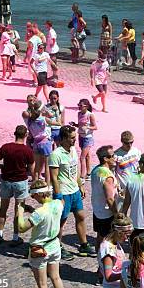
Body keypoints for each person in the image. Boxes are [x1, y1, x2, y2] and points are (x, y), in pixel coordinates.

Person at [48, 125, 96, 260]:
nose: (74, 140)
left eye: (74, 138)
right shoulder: (55, 155)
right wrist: (58, 197)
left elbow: (75, 170)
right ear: (63, 139)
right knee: (61, 222)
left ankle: (83, 245)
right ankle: (57, 247)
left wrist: (80, 185)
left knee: (80, 216)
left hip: (74, 191)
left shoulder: (73, 150)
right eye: (71, 138)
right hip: (63, 193)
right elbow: (54, 178)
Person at [16, 179, 64, 288]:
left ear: (38, 194)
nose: (33, 198)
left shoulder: (40, 212)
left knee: (42, 285)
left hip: (40, 249)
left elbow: (21, 228)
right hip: (54, 245)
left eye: (33, 195)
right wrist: (32, 210)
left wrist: (20, 211)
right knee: (56, 278)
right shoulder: (58, 203)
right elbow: (48, 217)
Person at [0, 125, 35, 246]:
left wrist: (3, 167)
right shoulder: (27, 151)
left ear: (15, 134)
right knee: (18, 210)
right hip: (20, 182)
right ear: (26, 135)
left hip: (6, 181)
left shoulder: (6, 147)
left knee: (3, 209)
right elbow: (31, 170)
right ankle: (15, 237)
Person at [90, 145, 119, 258]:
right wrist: (116, 214)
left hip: (97, 210)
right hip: (107, 213)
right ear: (105, 159)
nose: (115, 158)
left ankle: (99, 262)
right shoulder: (108, 176)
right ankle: (106, 264)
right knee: (109, 241)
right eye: (112, 156)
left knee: (100, 237)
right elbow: (110, 199)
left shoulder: (95, 170)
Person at [99, 213, 133, 288]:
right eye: (125, 235)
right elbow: (108, 276)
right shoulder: (108, 251)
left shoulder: (114, 243)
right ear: (118, 233)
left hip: (119, 287)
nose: (126, 239)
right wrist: (128, 274)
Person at [23, 101, 53, 184]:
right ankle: (47, 185)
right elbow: (55, 120)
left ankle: (35, 183)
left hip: (36, 143)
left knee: (36, 166)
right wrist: (48, 113)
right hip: (45, 142)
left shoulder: (30, 120)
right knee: (47, 166)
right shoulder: (43, 119)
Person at [74, 98, 97, 181]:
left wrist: (87, 127)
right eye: (78, 105)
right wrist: (75, 124)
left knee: (82, 157)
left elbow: (95, 127)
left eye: (81, 106)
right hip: (81, 136)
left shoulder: (90, 115)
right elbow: (79, 125)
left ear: (86, 106)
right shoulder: (79, 114)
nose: (79, 107)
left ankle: (82, 175)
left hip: (88, 138)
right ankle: (89, 173)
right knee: (87, 156)